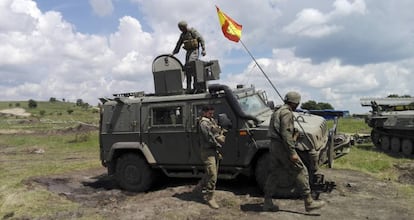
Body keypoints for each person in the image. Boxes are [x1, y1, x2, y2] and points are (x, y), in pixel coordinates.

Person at [263, 91, 326, 212]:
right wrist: (292, 153)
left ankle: (267, 201)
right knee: (300, 170)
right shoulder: (287, 113)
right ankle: (309, 202)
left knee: (274, 173)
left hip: (274, 146)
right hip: (283, 147)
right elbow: (286, 134)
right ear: (295, 103)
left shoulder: (277, 111)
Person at [193, 105, 224, 209]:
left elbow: (216, 131)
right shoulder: (203, 123)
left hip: (213, 150)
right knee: (212, 174)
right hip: (207, 151)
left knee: (210, 172)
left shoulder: (211, 121)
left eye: (212, 113)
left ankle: (199, 187)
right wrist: (219, 143)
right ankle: (210, 197)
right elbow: (209, 138)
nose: (212, 115)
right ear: (204, 112)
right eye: (210, 113)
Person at [171, 21, 206, 92]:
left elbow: (201, 39)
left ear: (185, 26)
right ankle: (188, 87)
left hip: (194, 51)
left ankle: (196, 86)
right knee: (187, 68)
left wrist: (203, 49)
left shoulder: (192, 31)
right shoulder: (182, 35)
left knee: (191, 65)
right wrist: (173, 53)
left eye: (181, 28)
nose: (180, 29)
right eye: (180, 28)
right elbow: (178, 44)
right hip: (188, 52)